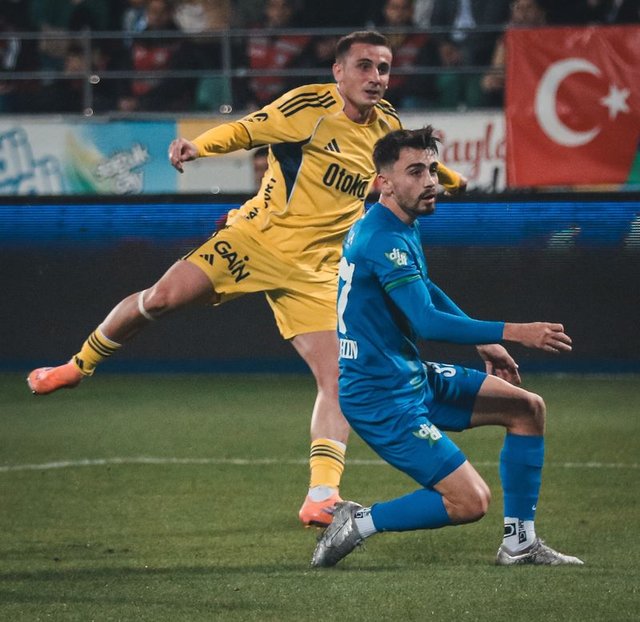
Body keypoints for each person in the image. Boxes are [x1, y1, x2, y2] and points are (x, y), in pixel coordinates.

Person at [27, 31, 467, 528]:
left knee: (338, 379)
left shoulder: (387, 124)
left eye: (383, 68)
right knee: (161, 298)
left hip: (317, 270)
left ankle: (322, 496)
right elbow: (246, 130)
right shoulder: (307, 108)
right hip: (256, 240)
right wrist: (198, 146)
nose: (375, 77)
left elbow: (412, 163)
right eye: (364, 66)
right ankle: (78, 365)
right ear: (339, 72)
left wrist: (451, 180)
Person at [312, 126, 584, 567]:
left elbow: (425, 290)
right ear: (384, 182)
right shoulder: (382, 239)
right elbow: (425, 320)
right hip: (379, 398)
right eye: (415, 172)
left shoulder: (395, 223)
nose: (430, 182)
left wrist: (485, 343)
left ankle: (520, 544)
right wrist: (513, 331)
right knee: (470, 502)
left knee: (527, 409)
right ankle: (358, 521)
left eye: (433, 170)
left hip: (409, 377)